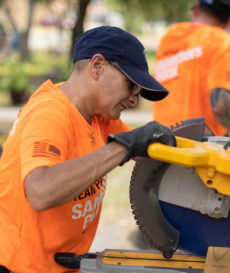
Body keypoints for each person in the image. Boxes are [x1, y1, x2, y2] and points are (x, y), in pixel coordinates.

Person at [0, 26, 175, 273]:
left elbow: (147, 147)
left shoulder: (99, 114)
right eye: (130, 85)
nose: (135, 99)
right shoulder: (50, 113)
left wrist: (201, 151)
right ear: (97, 66)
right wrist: (122, 148)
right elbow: (39, 191)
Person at [153, 0, 230, 137]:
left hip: (160, 140)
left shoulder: (170, 35)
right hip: (197, 147)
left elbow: (186, 90)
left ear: (196, 9)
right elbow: (220, 105)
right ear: (227, 23)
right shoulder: (222, 41)